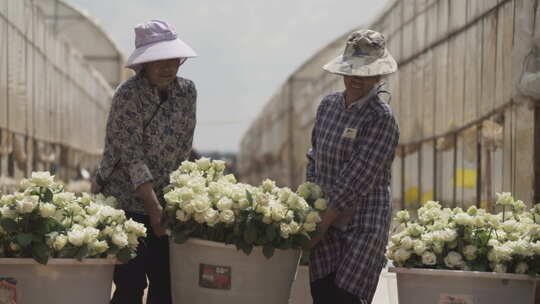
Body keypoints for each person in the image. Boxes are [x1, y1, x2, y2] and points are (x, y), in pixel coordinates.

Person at [91, 20, 197, 304]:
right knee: (130, 283)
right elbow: (131, 156)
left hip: (166, 200)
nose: (166, 67)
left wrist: (176, 200)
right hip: (127, 200)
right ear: (144, 64)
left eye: (172, 59)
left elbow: (183, 148)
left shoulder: (187, 92)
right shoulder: (128, 95)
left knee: (166, 284)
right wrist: (152, 207)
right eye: (157, 60)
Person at [306, 29, 400, 304]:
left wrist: (321, 224)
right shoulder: (329, 106)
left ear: (379, 76)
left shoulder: (381, 119)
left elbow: (357, 178)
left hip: (363, 222)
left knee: (347, 297)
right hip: (325, 218)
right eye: (352, 70)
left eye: (367, 71)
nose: (357, 78)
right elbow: (314, 156)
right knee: (322, 291)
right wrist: (312, 203)